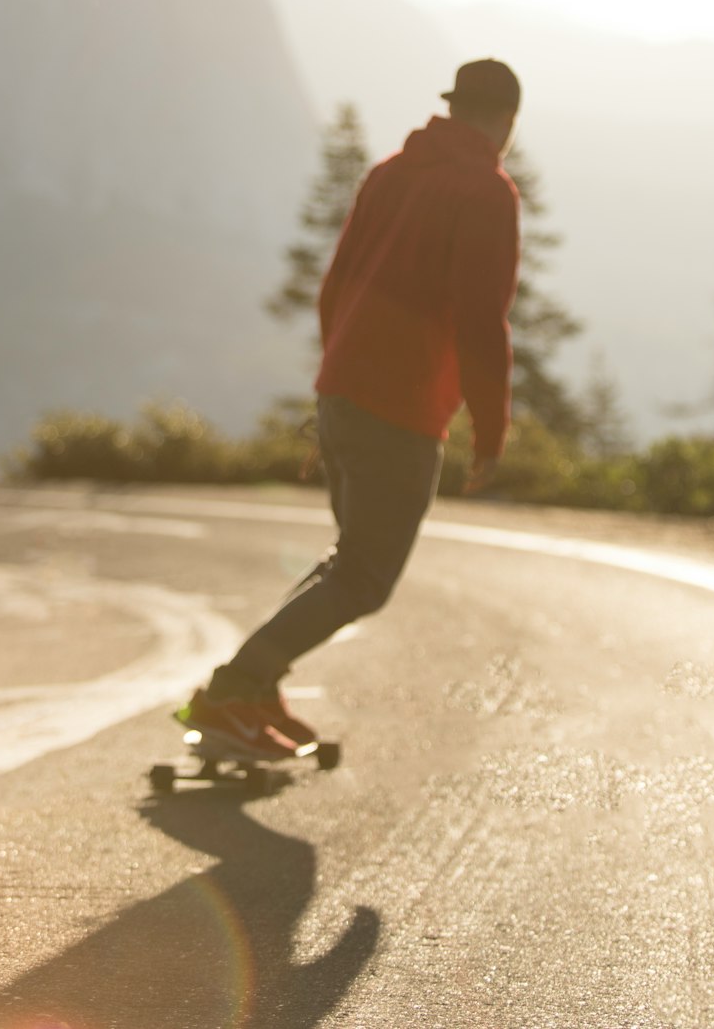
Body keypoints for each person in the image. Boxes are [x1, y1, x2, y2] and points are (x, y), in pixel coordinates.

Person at [179, 59, 522, 758]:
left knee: (348, 562)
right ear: (507, 119)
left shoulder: (390, 173)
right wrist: (490, 430)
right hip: (400, 409)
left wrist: (335, 388)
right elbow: (482, 318)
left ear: (453, 107)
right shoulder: (485, 191)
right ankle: (232, 689)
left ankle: (254, 685)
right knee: (365, 575)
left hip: (344, 392)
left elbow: (335, 285)